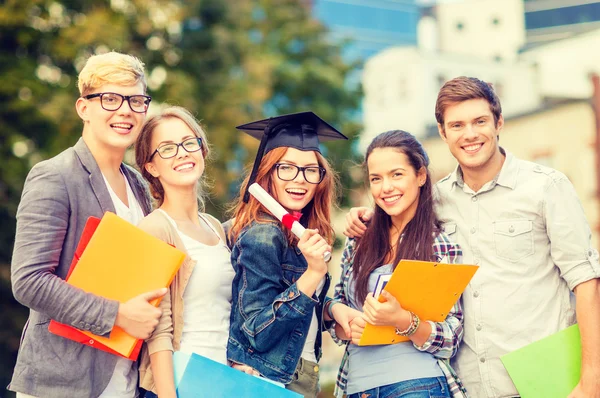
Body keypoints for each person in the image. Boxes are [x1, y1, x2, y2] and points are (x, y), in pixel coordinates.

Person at [344, 76, 600, 398]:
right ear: (442, 132)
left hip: (547, 380)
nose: (470, 134)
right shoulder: (434, 201)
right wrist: (366, 216)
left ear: (499, 122)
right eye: (457, 125)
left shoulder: (546, 187)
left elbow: (586, 281)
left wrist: (592, 379)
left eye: (480, 121)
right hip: (471, 385)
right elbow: (394, 208)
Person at [10, 52, 165, 398]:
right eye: (110, 99)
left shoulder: (139, 185)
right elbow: (29, 280)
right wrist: (117, 315)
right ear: (84, 108)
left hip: (125, 383)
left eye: (136, 100)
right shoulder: (55, 176)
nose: (125, 110)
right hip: (61, 385)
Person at [227, 111, 361, 397]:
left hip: (301, 374)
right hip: (269, 379)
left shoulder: (300, 231)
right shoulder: (263, 235)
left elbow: (296, 310)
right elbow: (257, 332)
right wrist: (314, 273)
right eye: (286, 167)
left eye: (311, 170)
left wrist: (330, 309)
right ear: (267, 173)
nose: (300, 179)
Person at [327, 130, 467, 398]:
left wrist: (402, 320)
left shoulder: (439, 243)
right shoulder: (358, 240)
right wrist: (342, 320)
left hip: (416, 384)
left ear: (421, 176)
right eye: (376, 179)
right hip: (357, 388)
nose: (386, 188)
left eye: (397, 175)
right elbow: (337, 309)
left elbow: (451, 338)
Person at [134, 106, 254, 398]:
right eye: (167, 148)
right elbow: (157, 330)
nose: (182, 153)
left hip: (222, 382)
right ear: (151, 167)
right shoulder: (155, 228)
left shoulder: (213, 226)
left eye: (190, 142)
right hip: (181, 383)